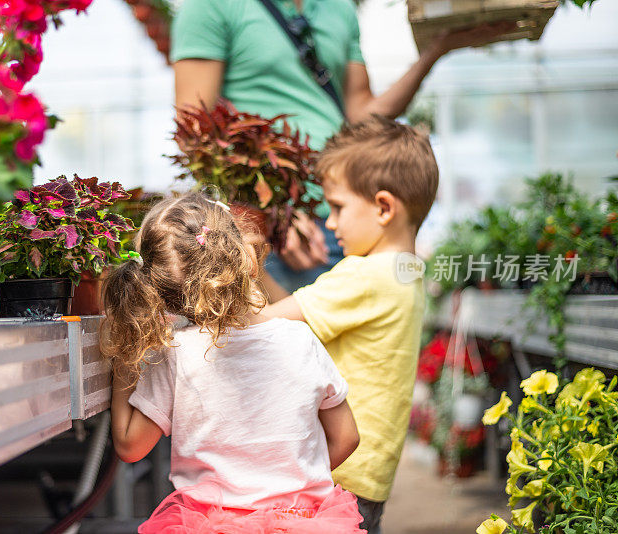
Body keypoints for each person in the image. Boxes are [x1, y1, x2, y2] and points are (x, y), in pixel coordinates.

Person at [172, 0, 513, 290]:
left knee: (344, 357)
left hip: (342, 215)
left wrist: (434, 51)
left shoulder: (339, 7)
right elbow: (196, 132)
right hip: (266, 232)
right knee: (275, 354)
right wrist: (276, 214)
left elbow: (362, 114)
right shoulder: (211, 5)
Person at [101, 192, 367, 533]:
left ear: (164, 293)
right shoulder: (301, 339)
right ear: (249, 260)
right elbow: (346, 437)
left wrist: (127, 353)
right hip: (303, 522)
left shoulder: (176, 354)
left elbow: (130, 445)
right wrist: (288, 483)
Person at [262, 115, 439, 534]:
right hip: (369, 473)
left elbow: (265, 325)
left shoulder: (364, 276)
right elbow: (293, 310)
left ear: (383, 207)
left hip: (336, 467)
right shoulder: (406, 272)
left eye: (337, 208)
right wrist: (256, 269)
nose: (331, 222)